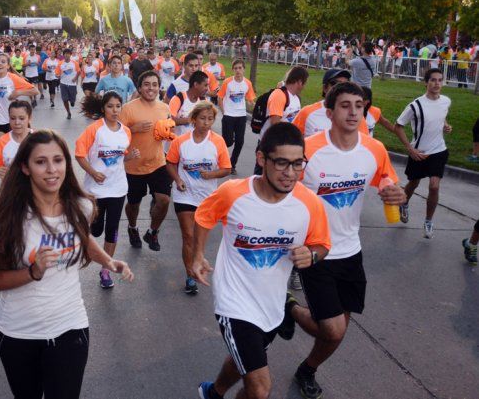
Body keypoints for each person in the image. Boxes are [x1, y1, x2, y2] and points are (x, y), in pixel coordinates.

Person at [0, 129, 134, 399]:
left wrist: (109, 261)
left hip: (69, 326)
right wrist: (33, 271)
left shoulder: (81, 206)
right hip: (18, 333)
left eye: (58, 160)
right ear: (25, 168)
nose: (52, 169)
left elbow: (84, 238)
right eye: (41, 162)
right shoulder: (11, 217)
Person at [191, 122, 331, 399]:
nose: (290, 173)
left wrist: (312, 255)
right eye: (281, 163)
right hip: (234, 302)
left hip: (273, 304)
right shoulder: (233, 193)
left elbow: (322, 244)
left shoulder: (309, 203)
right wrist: (197, 256)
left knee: (243, 362)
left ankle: (214, 393)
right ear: (261, 159)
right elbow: (204, 217)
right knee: (260, 387)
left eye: (297, 164)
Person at [288, 82, 406, 399]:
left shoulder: (374, 149)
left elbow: (388, 181)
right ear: (330, 112)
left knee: (340, 327)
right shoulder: (308, 150)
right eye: (345, 105)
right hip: (316, 249)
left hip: (351, 250)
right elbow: (282, 190)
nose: (354, 111)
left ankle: (307, 369)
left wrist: (398, 192)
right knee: (331, 328)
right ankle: (291, 309)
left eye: (359, 105)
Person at [165, 102, 231, 295]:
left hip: (207, 198)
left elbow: (226, 169)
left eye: (210, 119)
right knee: (188, 235)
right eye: (202, 118)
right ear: (193, 120)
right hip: (184, 194)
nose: (206, 123)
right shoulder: (181, 141)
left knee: (198, 240)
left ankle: (196, 261)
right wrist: (177, 179)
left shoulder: (218, 142)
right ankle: (189, 275)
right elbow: (170, 163)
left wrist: (211, 175)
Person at [75, 92, 139, 289]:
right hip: (95, 190)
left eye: (118, 106)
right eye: (110, 106)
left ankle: (105, 270)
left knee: (112, 229)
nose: (114, 110)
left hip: (118, 188)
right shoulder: (94, 130)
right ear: (103, 108)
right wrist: (93, 172)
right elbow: (79, 155)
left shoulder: (125, 132)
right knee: (96, 229)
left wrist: (130, 156)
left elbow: (120, 156)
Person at [394, 68, 452, 238]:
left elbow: (440, 117)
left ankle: (428, 221)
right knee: (413, 184)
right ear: (426, 82)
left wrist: (445, 126)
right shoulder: (415, 105)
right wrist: (410, 149)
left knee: (434, 186)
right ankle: (404, 203)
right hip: (419, 152)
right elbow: (398, 126)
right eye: (433, 80)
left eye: (440, 80)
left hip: (439, 150)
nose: (437, 83)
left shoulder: (446, 101)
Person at [119, 71, 172, 251]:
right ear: (140, 88)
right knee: (133, 204)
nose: (151, 88)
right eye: (147, 84)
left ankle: (152, 232)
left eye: (155, 84)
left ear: (159, 87)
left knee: (164, 200)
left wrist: (167, 133)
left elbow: (168, 128)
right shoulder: (128, 109)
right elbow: (116, 135)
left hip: (158, 162)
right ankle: (132, 227)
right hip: (134, 166)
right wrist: (133, 129)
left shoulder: (165, 108)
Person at [254, 66, 309, 175]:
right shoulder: (279, 95)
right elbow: (275, 124)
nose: (305, 86)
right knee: (262, 176)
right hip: (270, 144)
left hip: (285, 144)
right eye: (305, 83)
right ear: (299, 82)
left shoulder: (296, 98)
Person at [0, 53, 39, 144]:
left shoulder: (13, 78)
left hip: (13, 121)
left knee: (16, 152)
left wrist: (19, 92)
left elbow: (35, 91)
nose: (0, 64)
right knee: (0, 152)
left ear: (8, 65)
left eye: (3, 62)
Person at [292, 69, 358, 137]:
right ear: (325, 88)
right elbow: (289, 139)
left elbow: (364, 144)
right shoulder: (307, 113)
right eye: (335, 83)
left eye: (345, 85)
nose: (340, 88)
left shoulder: (355, 116)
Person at [218, 59, 256, 174]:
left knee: (240, 142)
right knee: (228, 142)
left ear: (244, 69)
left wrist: (254, 105)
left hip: (241, 116)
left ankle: (232, 165)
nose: (238, 70)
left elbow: (250, 99)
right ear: (233, 70)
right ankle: (219, 159)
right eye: (236, 68)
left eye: (240, 68)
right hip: (229, 115)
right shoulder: (227, 82)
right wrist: (223, 112)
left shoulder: (247, 83)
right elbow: (220, 97)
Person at [0, 101, 33, 180]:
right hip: (12, 190)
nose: (17, 122)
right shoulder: (2, 142)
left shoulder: (38, 139)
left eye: (21, 118)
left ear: (29, 118)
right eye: (13, 118)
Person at [169, 70, 209, 137]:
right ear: (196, 84)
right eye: (205, 85)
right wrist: (192, 119)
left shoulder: (204, 101)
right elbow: (170, 121)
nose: (207, 89)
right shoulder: (178, 98)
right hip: (177, 143)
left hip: (194, 144)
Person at [56, 49, 80, 119]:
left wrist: (75, 78)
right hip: (63, 83)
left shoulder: (75, 63)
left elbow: (78, 71)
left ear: (70, 54)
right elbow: (57, 73)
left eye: (68, 54)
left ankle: (72, 101)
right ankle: (68, 112)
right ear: (63, 55)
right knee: (65, 99)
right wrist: (57, 75)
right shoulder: (60, 63)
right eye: (65, 54)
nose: (67, 55)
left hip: (72, 84)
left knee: (73, 99)